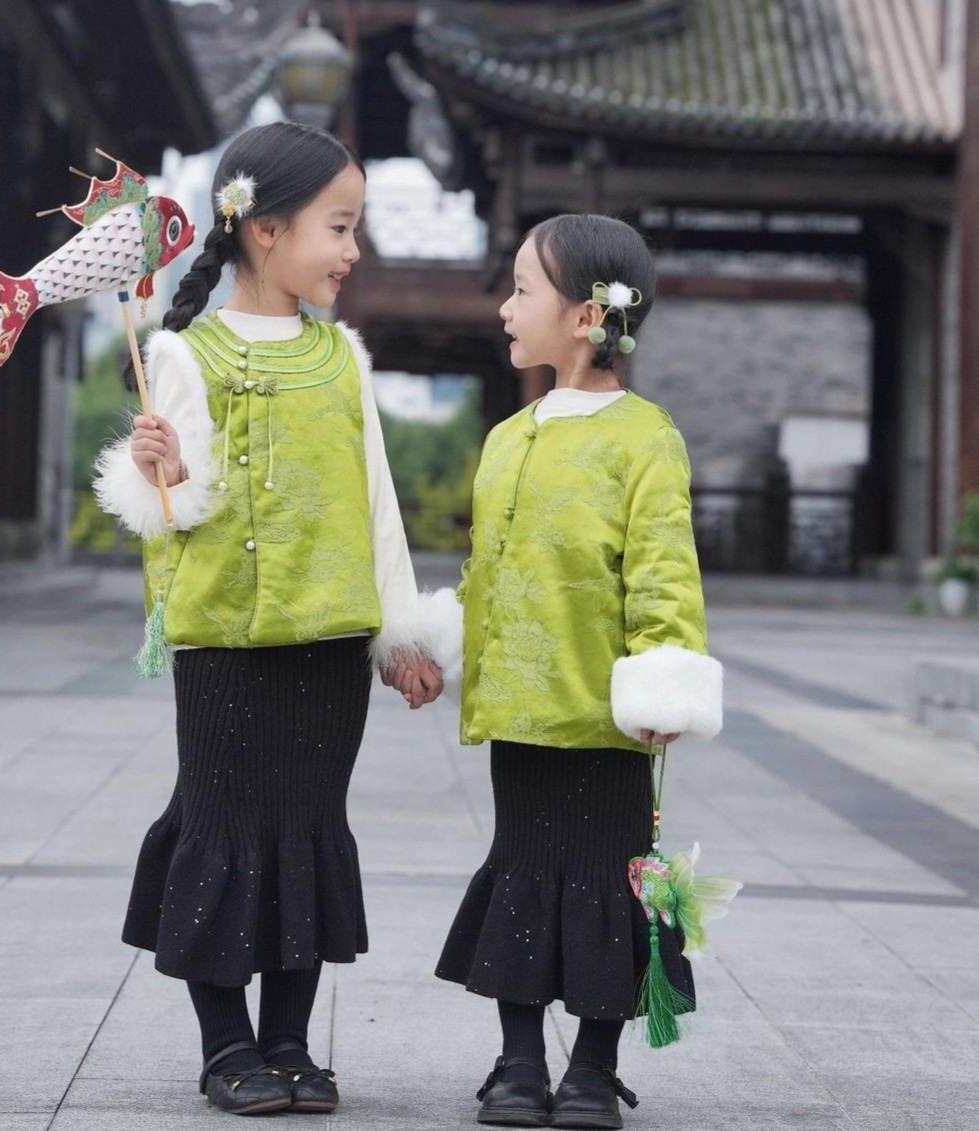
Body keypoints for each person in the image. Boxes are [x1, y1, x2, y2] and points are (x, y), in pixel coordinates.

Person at [93, 121, 444, 1117]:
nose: (352, 250)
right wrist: (155, 471)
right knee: (223, 827)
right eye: (339, 227)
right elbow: (173, 516)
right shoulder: (182, 354)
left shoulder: (343, 361)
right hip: (225, 651)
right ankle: (226, 1046)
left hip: (331, 648)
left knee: (307, 830)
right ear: (264, 230)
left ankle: (289, 1042)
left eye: (355, 227)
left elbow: (376, 505)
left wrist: (399, 635)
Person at [432, 214, 723, 1130]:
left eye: (523, 288)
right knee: (519, 875)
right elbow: (487, 571)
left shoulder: (646, 438)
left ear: (588, 314)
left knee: (606, 879)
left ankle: (592, 1069)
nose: (505, 306)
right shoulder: (506, 436)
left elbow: (663, 569)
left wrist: (663, 678)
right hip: (517, 708)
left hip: (606, 715)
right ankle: (518, 1063)